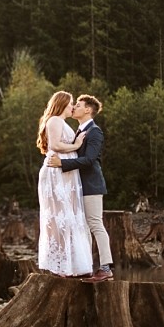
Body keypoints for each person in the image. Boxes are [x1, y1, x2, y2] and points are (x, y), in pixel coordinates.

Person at [48, 94, 113, 282]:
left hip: (91, 185)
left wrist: (62, 164)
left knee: (95, 224)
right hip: (75, 187)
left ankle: (105, 268)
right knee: (81, 227)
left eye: (78, 104)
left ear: (87, 110)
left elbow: (90, 160)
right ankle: (86, 268)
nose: (74, 107)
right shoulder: (79, 131)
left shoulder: (95, 132)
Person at [36, 91, 94, 278]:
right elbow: (55, 145)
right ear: (62, 104)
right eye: (70, 104)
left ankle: (71, 264)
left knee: (69, 215)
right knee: (59, 216)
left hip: (66, 173)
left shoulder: (62, 122)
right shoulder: (54, 120)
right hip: (56, 172)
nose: (73, 107)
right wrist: (76, 146)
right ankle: (60, 265)